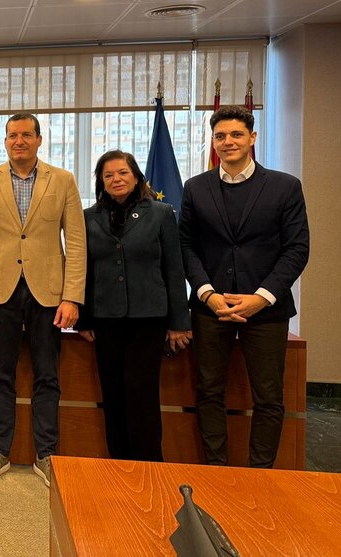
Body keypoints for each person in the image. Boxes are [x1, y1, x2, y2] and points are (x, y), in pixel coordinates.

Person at [181, 105, 309, 468]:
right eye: (220, 136)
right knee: (208, 392)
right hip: (211, 308)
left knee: (268, 397)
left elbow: (297, 248)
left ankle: (261, 473)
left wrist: (262, 297)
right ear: (213, 142)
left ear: (252, 138)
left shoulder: (285, 187)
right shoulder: (195, 188)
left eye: (236, 135)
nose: (228, 142)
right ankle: (217, 470)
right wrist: (206, 292)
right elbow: (186, 245)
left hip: (266, 310)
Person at [0, 112, 86, 487]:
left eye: (26, 135)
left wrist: (72, 297)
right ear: (5, 141)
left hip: (48, 292)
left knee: (46, 376)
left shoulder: (62, 180)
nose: (19, 141)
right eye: (13, 135)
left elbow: (77, 243)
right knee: (0, 375)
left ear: (38, 140)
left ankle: (46, 454)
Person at [75, 150, 191, 462]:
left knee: (141, 395)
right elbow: (82, 269)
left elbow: (174, 269)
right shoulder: (87, 218)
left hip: (148, 318)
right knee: (112, 395)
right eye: (108, 174)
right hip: (106, 319)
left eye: (123, 172)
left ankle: (149, 463)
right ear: (101, 180)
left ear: (136, 176)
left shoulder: (161, 213)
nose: (116, 179)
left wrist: (180, 321)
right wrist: (83, 318)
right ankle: (120, 462)